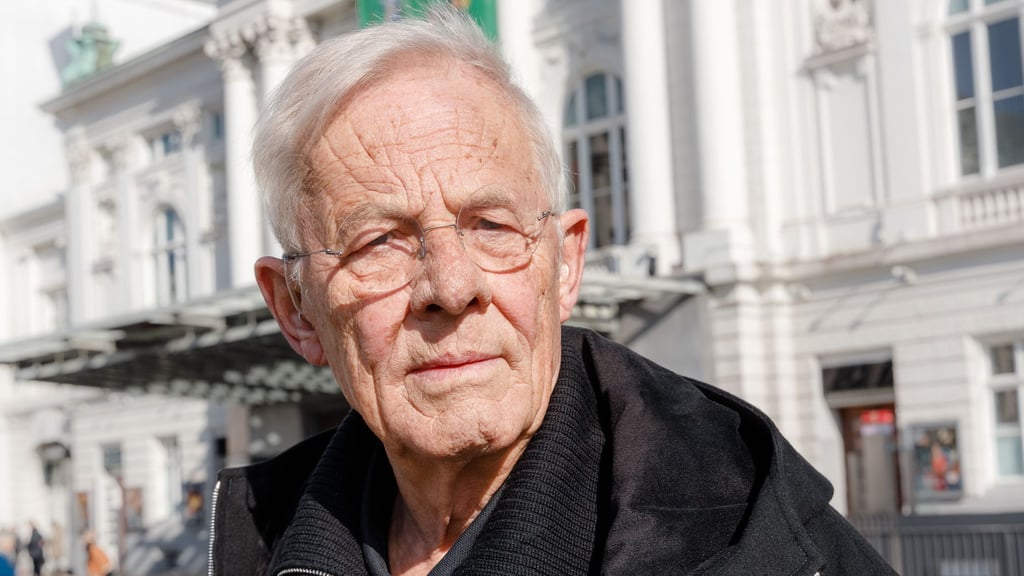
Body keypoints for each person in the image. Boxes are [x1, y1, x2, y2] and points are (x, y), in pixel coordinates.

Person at [211, 6, 897, 576]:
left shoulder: (756, 543)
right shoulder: (256, 539)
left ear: (565, 265)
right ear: (295, 310)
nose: (452, 289)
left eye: (491, 224)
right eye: (379, 242)